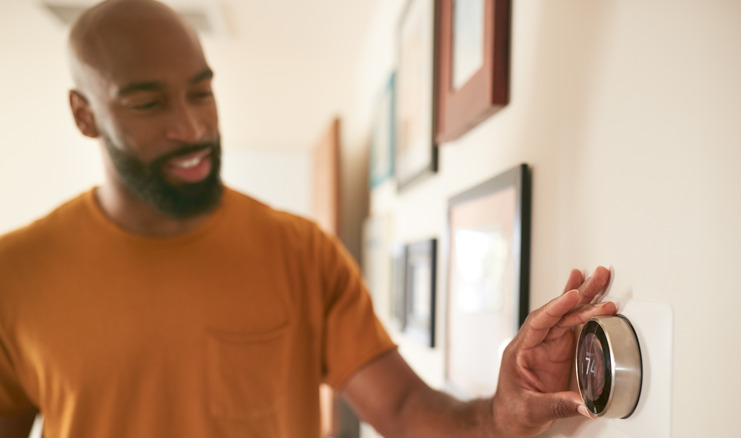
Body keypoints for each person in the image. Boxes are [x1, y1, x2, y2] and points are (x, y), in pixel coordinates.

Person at [0, 0, 617, 436]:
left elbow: (404, 411)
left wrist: (503, 413)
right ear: (84, 115)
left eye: (200, 91)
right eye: (147, 103)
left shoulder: (301, 252)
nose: (191, 128)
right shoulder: (14, 275)